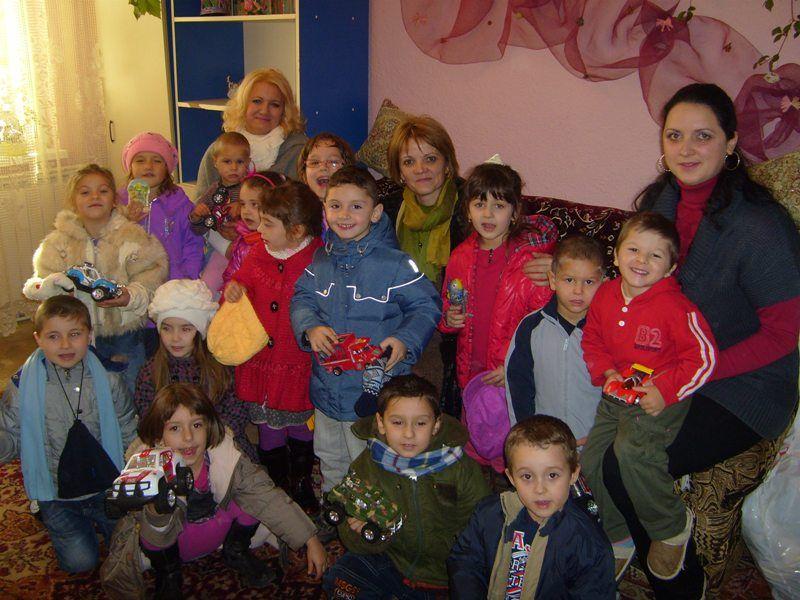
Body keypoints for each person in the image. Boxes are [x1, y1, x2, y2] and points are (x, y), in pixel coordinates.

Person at [604, 82, 800, 596]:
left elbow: (783, 335)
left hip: (744, 386)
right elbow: (633, 282)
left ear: (730, 142)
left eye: (703, 136)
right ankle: (631, 549)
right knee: (601, 451)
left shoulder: (760, 227)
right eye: (674, 136)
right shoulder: (660, 203)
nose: (686, 149)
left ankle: (680, 585)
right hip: (674, 369)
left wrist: (695, 371)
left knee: (627, 465)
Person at [580, 212, 717, 582]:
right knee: (590, 460)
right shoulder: (606, 294)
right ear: (616, 254)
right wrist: (606, 371)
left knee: (632, 452)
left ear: (670, 268)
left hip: (660, 397)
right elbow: (592, 340)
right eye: (634, 250)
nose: (641, 260)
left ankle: (670, 526)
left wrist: (665, 391)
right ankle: (618, 533)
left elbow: (703, 358)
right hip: (617, 395)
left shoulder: (676, 307)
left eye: (655, 255)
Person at [291, 166, 441, 497]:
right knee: (330, 456)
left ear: (375, 213)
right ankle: (335, 507)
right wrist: (310, 326)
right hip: (326, 388)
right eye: (335, 205)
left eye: (356, 206)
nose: (344, 215)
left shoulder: (395, 264)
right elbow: (302, 298)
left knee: (370, 463)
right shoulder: (320, 261)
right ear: (325, 209)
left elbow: (426, 306)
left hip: (373, 392)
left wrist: (404, 339)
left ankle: (371, 515)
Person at [100, 383, 327, 598]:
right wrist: (155, 502)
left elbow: (266, 496)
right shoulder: (145, 468)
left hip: (215, 531)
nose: (188, 437)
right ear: (159, 435)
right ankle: (169, 575)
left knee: (251, 490)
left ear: (209, 427)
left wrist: (309, 538)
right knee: (154, 516)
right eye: (175, 428)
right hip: (172, 545)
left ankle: (236, 551)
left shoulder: (224, 456)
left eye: (197, 425)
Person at [0, 296, 137, 573]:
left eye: (74, 334)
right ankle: (49, 515)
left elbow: (126, 425)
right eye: (53, 336)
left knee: (131, 550)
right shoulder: (21, 386)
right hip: (57, 495)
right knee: (80, 563)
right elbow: (11, 437)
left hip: (105, 485)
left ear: (89, 335)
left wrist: (133, 469)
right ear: (38, 339)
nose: (65, 345)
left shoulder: (109, 378)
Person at [322, 374, 490, 598]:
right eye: (397, 422)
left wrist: (462, 573)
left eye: (420, 423)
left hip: (446, 574)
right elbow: (349, 525)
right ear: (381, 423)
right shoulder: (367, 466)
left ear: (436, 425)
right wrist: (366, 534)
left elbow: (482, 526)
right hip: (393, 563)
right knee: (340, 581)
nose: (409, 434)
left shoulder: (461, 468)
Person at [439, 162, 557, 472]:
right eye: (479, 204)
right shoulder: (460, 257)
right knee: (475, 443)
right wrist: (448, 320)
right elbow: (447, 307)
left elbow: (544, 328)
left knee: (513, 452)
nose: (488, 214)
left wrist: (516, 368)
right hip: (471, 373)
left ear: (515, 213)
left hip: (509, 374)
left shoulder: (531, 263)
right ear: (467, 210)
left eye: (499, 206)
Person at [22, 164, 168, 393]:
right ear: (73, 201)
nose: (95, 196)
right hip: (73, 336)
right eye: (85, 192)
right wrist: (51, 286)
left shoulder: (133, 236)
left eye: (103, 191)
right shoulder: (58, 242)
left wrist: (129, 296)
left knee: (131, 389)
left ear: (115, 199)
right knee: (83, 391)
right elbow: (39, 284)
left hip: (123, 333)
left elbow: (151, 277)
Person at [224, 179, 323, 512]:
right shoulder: (258, 252)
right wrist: (235, 288)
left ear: (296, 230)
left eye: (268, 224)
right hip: (261, 361)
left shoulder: (318, 259)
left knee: (300, 423)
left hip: (296, 361)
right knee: (267, 425)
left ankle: (302, 480)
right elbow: (242, 280)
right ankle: (277, 485)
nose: (259, 229)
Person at [447, 415, 615, 599]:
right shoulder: (489, 514)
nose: (540, 489)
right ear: (511, 478)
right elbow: (465, 564)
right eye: (527, 476)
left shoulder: (588, 543)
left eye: (552, 475)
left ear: (573, 474)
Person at [134, 279, 256, 462]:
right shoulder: (150, 372)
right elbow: (149, 418)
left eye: (185, 329)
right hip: (172, 449)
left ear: (199, 330)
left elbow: (237, 410)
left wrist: (212, 438)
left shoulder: (220, 367)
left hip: (220, 444)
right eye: (167, 329)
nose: (175, 338)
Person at [505, 235, 606, 447]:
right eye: (569, 280)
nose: (578, 291)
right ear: (553, 279)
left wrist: (604, 436)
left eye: (588, 282)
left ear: (602, 282)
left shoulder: (608, 331)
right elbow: (518, 385)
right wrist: (525, 436)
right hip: (544, 443)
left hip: (595, 443)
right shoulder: (531, 328)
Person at [195, 68, 307, 193]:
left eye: (274, 104)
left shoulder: (299, 152)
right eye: (257, 101)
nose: (264, 110)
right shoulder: (219, 150)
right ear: (243, 104)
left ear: (284, 110)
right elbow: (201, 202)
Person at [386, 115, 465, 288]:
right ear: (400, 172)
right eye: (409, 162)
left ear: (447, 164)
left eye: (430, 159)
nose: (420, 169)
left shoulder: (471, 207)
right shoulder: (387, 211)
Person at [119, 132, 203, 282]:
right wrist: (127, 221)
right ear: (130, 166)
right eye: (140, 160)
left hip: (172, 280)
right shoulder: (119, 203)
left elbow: (193, 244)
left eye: (157, 161)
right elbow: (107, 242)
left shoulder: (180, 204)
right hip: (130, 281)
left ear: (166, 167)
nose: (148, 166)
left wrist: (188, 277)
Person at [190, 132, 255, 294]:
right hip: (220, 250)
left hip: (249, 249)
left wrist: (243, 206)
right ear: (215, 163)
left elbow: (265, 215)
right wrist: (197, 215)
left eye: (239, 162)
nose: (233, 167)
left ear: (248, 163)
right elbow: (198, 230)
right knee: (207, 289)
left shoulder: (251, 188)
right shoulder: (213, 191)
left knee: (248, 290)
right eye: (227, 161)